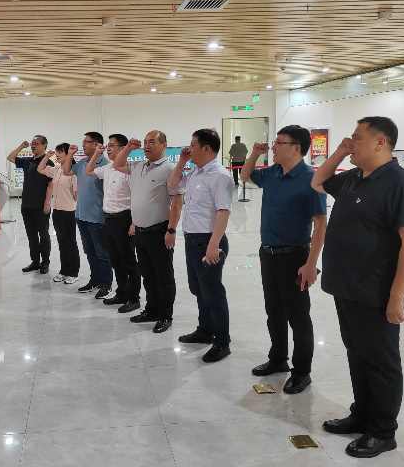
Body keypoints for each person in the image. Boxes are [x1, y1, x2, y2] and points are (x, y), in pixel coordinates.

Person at [312, 117, 404, 458]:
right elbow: (319, 181)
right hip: (347, 287)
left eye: (357, 138)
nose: (351, 142)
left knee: (380, 362)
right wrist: (340, 151)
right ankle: (361, 414)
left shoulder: (401, 183)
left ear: (380, 142)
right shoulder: (354, 177)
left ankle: (382, 431)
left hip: (375, 290)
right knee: (357, 354)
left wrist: (397, 297)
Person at [241, 126, 327, 394]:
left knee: (298, 316)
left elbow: (320, 223)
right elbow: (245, 175)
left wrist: (311, 263)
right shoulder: (273, 173)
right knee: (274, 311)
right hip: (268, 253)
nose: (273, 147)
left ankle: (302, 372)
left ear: (296, 148)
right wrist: (255, 154)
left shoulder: (311, 179)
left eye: (279, 143)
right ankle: (278, 359)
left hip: (295, 256)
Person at [167, 129, 233, 362]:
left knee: (213, 293)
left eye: (193, 145)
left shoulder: (220, 176)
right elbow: (173, 183)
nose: (189, 148)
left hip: (208, 241)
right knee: (199, 289)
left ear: (206, 148)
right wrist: (182, 160)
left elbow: (223, 212)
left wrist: (214, 245)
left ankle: (222, 343)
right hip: (193, 240)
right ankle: (205, 330)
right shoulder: (196, 171)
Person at [113, 130, 183, 333]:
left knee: (163, 276)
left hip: (159, 230)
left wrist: (172, 230)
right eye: (145, 142)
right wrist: (128, 148)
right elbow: (117, 164)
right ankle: (151, 310)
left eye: (152, 142)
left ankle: (165, 315)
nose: (147, 145)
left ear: (164, 145)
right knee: (148, 275)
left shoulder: (169, 169)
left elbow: (177, 203)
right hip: (140, 231)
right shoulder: (138, 166)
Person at [86, 134, 142, 313]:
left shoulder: (130, 170)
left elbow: (137, 198)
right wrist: (97, 153)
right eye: (108, 145)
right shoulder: (108, 167)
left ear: (122, 148)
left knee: (129, 261)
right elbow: (89, 171)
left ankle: (134, 298)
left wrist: (134, 223)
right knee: (116, 260)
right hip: (109, 219)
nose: (108, 148)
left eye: (112, 145)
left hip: (124, 219)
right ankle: (122, 293)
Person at [62, 132, 113, 298]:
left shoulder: (105, 165)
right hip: (81, 215)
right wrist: (70, 154)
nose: (83, 144)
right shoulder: (83, 162)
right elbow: (66, 171)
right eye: (83, 141)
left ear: (97, 144)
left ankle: (106, 284)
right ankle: (95, 280)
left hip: (97, 217)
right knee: (90, 252)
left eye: (87, 142)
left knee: (102, 253)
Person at [7, 136, 53, 274]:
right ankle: (35, 262)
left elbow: (50, 185)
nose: (33, 146)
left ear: (44, 145)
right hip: (27, 205)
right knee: (31, 235)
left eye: (36, 144)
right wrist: (22, 146)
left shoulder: (48, 162)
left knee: (43, 235)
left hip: (41, 206)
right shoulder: (28, 161)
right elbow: (10, 157)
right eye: (32, 144)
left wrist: (47, 203)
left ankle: (45, 262)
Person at [38, 143, 80, 284]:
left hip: (69, 211)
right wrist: (47, 156)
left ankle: (73, 272)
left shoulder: (73, 172)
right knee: (61, 242)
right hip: (57, 211)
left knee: (70, 242)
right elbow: (40, 169)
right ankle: (64, 271)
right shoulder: (57, 169)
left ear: (68, 154)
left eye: (60, 152)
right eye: (56, 152)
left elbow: (76, 194)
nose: (57, 154)